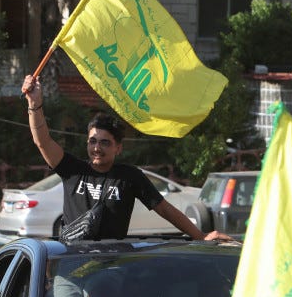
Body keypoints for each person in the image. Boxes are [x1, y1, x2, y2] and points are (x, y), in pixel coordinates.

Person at [21, 74, 231, 241]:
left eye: (105, 142)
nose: (97, 147)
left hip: (111, 268)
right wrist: (34, 104)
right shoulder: (72, 170)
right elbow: (43, 141)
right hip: (72, 265)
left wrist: (201, 236)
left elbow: (165, 209)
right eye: (92, 141)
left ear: (118, 148)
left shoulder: (129, 177)